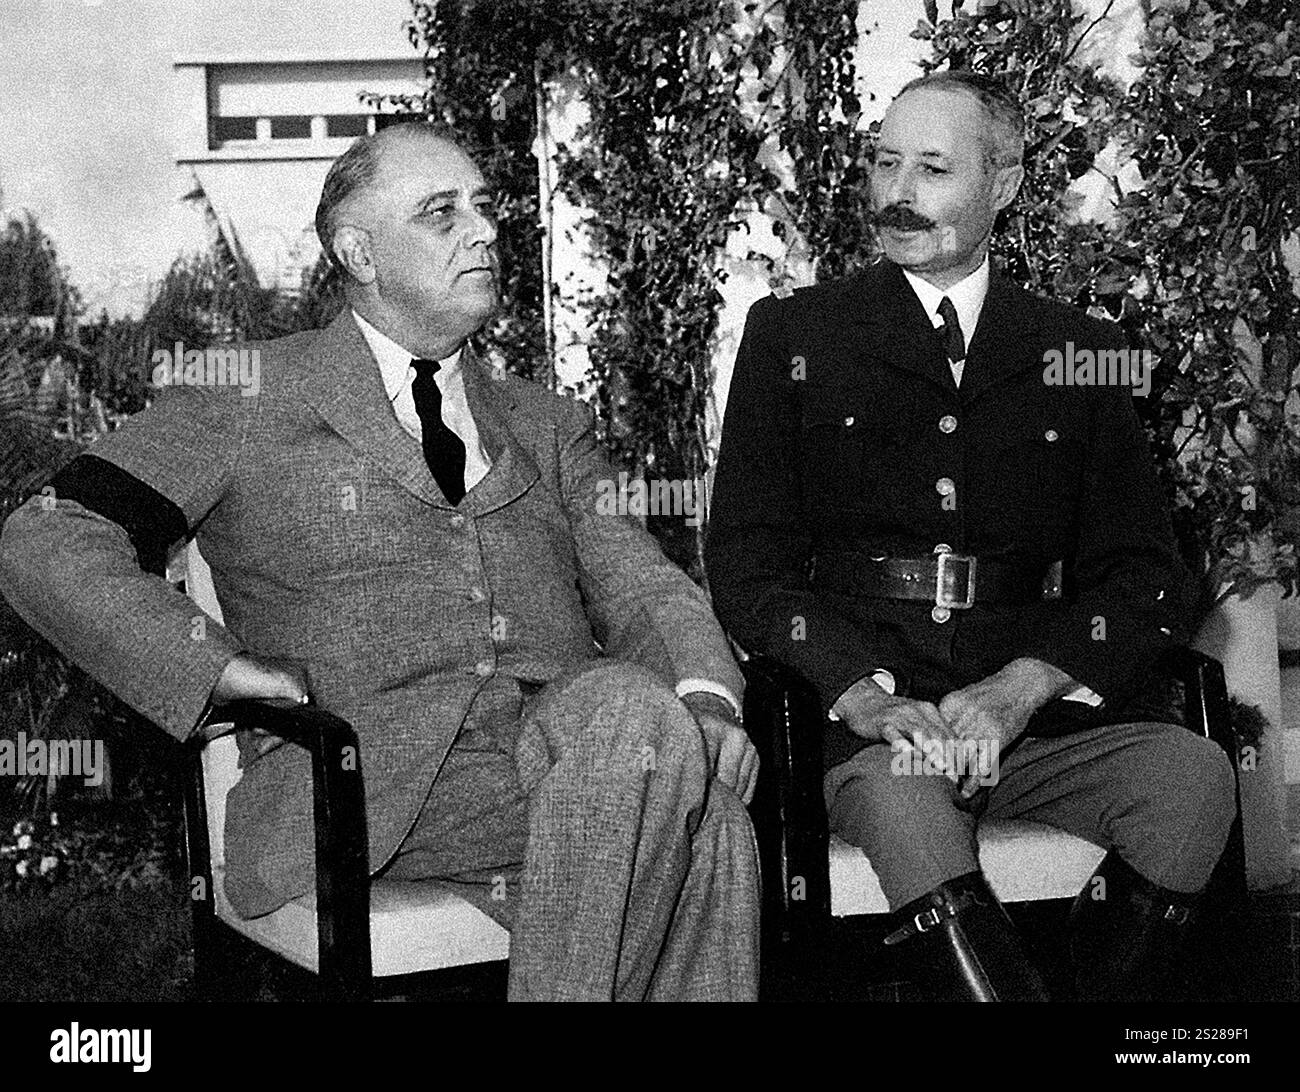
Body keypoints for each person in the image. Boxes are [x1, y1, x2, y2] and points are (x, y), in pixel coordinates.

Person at [0, 122, 760, 1002]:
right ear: (357, 250)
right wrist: (215, 670)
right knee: (703, 822)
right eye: (442, 213)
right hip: (362, 785)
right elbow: (47, 533)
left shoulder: (546, 423)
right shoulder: (244, 392)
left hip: (570, 757)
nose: (482, 230)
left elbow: (644, 586)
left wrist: (705, 699)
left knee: (651, 740)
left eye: (484, 208)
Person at [706, 71, 1235, 1001]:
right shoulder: (795, 335)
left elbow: (1146, 572)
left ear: (1005, 185)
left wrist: (1022, 688)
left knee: (1193, 781)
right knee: (910, 812)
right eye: (884, 164)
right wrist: (862, 697)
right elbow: (748, 564)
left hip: (1028, 727)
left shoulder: (1076, 349)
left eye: (932, 168)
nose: (897, 193)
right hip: (877, 728)